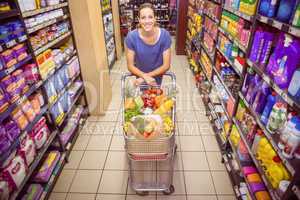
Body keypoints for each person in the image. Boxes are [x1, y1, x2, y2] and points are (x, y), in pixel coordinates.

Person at [125, 3, 172, 86]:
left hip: (157, 75)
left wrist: (145, 77)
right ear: (139, 19)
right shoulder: (132, 37)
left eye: (150, 17)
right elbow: (130, 66)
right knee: (144, 96)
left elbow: (166, 65)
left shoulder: (165, 36)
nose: (147, 21)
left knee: (156, 95)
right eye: (143, 17)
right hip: (140, 74)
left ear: (155, 18)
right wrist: (144, 76)